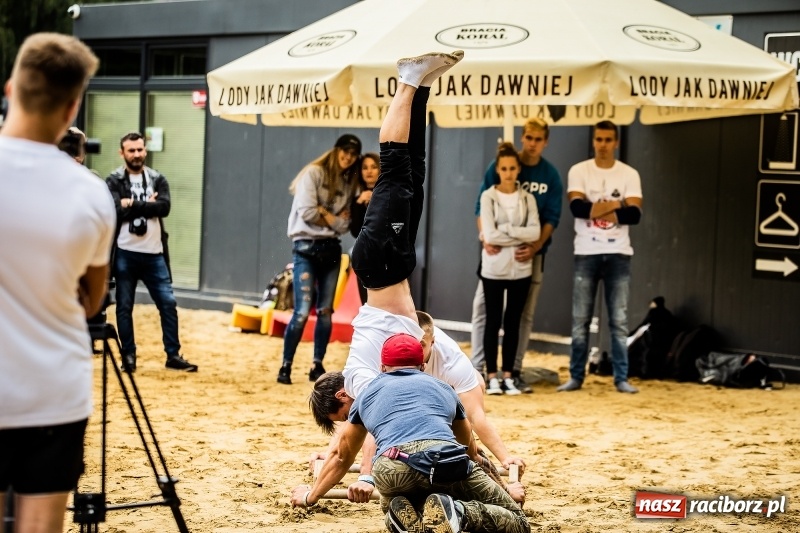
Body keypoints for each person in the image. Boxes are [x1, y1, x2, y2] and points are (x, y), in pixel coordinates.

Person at [313, 49, 525, 503]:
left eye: (340, 414)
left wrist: (348, 480)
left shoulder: (361, 382)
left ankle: (406, 80)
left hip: (379, 262)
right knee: (415, 171)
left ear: (342, 397)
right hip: (392, 264)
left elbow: (346, 448)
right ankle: (424, 85)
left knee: (393, 168)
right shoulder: (365, 383)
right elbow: (346, 444)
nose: (349, 419)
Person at [0, 32, 115, 533]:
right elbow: (92, 301)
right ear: (72, 109)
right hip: (54, 391)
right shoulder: (91, 194)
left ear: (9, 89)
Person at [292, 334, 530, 533]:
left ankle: (404, 515)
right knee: (518, 523)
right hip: (441, 461)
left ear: (382, 367)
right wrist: (502, 487)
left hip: (391, 467)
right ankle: (459, 512)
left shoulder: (366, 393)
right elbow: (469, 449)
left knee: (402, 497)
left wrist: (310, 497)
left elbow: (342, 456)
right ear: (423, 366)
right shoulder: (444, 388)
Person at [470, 118, 563, 393]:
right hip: (494, 259)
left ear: (545, 142)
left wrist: (533, 245)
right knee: (484, 311)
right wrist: (486, 236)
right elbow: (480, 209)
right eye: (529, 138)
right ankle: (481, 371)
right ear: (523, 137)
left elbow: (549, 220)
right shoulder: (497, 169)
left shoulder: (549, 176)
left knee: (522, 316)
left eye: (538, 139)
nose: (533, 143)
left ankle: (514, 371)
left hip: (529, 257)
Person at [557, 120, 643, 394]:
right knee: (580, 319)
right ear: (593, 141)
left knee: (619, 320)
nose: (603, 144)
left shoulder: (629, 173)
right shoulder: (579, 170)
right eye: (599, 139)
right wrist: (618, 204)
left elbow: (635, 214)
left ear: (616, 142)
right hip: (587, 251)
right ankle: (576, 376)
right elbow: (578, 208)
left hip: (618, 252)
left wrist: (599, 207)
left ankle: (621, 378)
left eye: (608, 139)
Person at [106, 132, 198, 373]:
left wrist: (132, 204)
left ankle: (173, 355)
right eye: (131, 150)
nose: (136, 154)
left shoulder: (157, 178)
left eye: (140, 149)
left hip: (154, 253)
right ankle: (128, 356)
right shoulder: (114, 180)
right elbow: (114, 210)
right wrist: (148, 205)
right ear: (122, 153)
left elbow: (165, 207)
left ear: (145, 150)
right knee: (124, 307)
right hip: (125, 252)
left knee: (168, 303)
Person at [278, 133, 362, 385]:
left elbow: (346, 224)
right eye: (344, 152)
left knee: (326, 311)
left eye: (352, 154)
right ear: (336, 151)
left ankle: (317, 364)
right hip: (304, 248)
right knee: (302, 311)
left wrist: (325, 214)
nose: (348, 158)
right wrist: (331, 217)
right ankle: (286, 365)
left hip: (331, 250)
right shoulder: (314, 173)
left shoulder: (350, 182)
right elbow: (306, 211)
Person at [479, 143, 541, 395]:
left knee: (513, 321)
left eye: (512, 168)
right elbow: (490, 235)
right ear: (498, 170)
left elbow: (535, 231)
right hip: (493, 269)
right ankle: (491, 375)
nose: (508, 173)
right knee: (492, 321)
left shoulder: (528, 198)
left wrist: (506, 232)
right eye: (503, 168)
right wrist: (517, 236)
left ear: (518, 170)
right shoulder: (488, 196)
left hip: (521, 269)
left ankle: (509, 376)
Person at [349, 152, 380, 304]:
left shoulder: (387, 195)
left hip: (385, 255)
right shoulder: (357, 199)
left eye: (374, 167)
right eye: (365, 167)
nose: (369, 171)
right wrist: (360, 204)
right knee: (366, 301)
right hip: (365, 256)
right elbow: (355, 231)